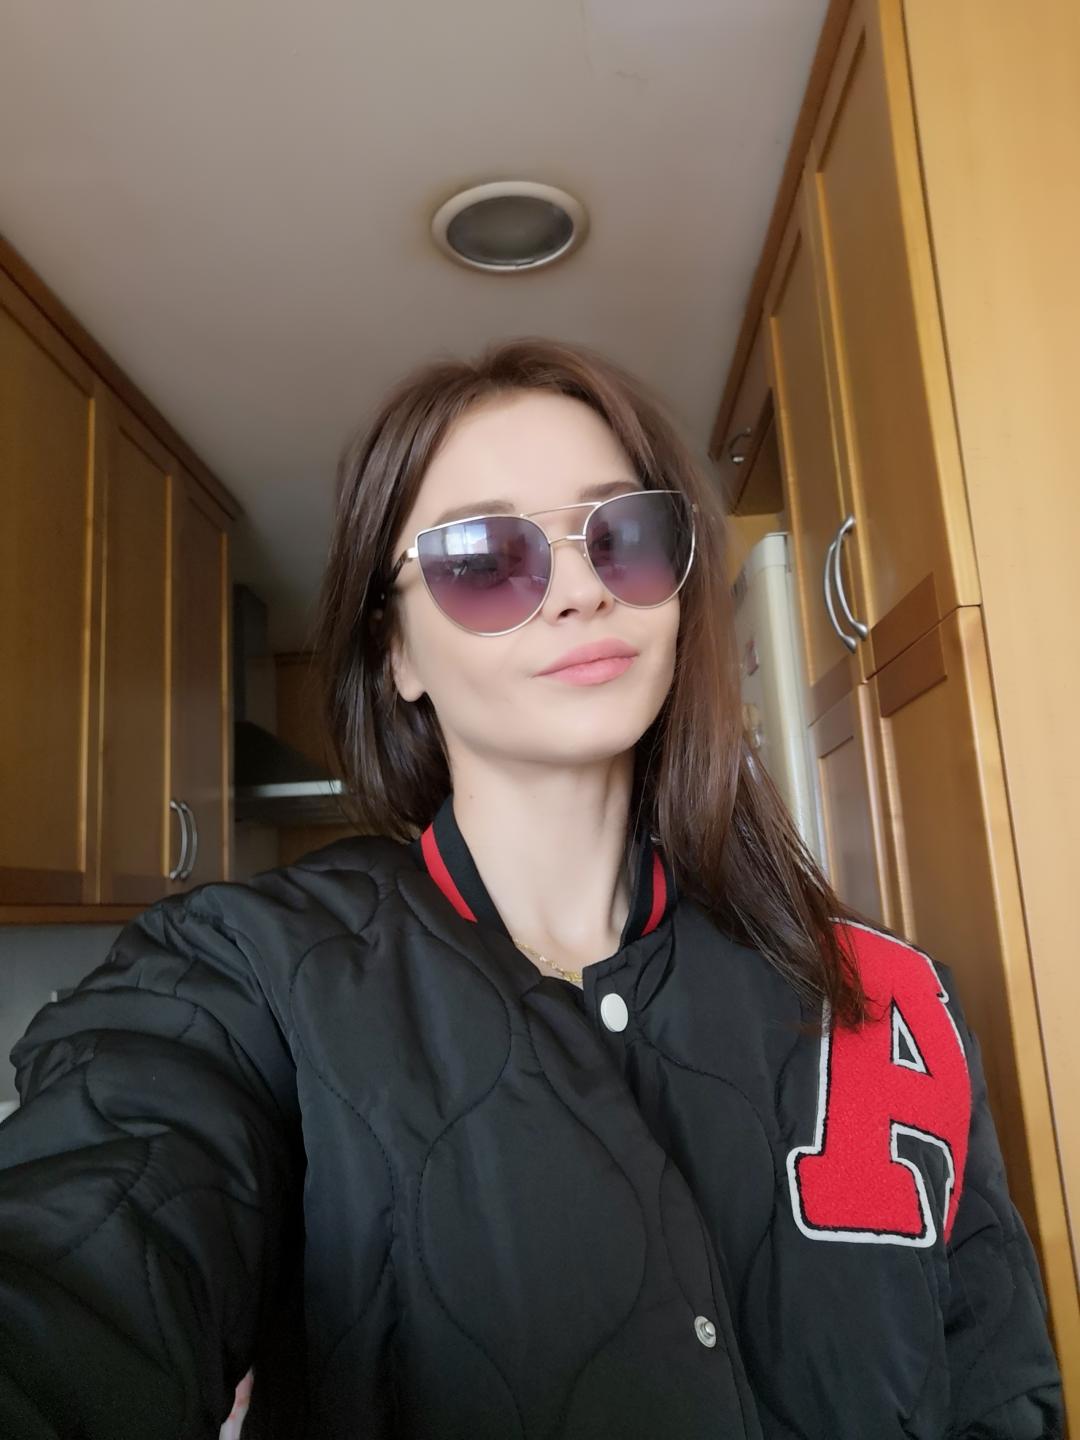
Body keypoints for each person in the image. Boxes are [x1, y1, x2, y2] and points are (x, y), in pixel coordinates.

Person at [0, 339, 1063, 1439]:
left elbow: (1002, 1396)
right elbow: (93, 1234)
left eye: (624, 536)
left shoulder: (890, 999)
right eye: (484, 558)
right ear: (398, 654)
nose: (580, 593)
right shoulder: (247, 974)